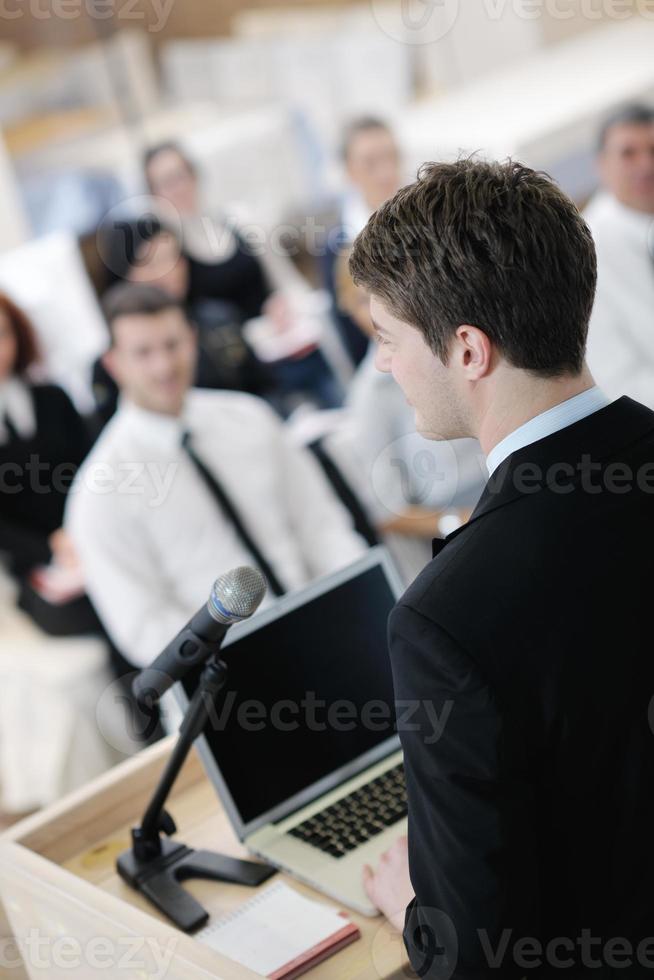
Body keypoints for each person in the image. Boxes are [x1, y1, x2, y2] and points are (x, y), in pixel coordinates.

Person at [350, 159, 654, 977]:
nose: (383, 365)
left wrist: (414, 909)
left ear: (469, 351)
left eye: (386, 338)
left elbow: (478, 953)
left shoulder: (444, 620)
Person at [66, 283, 366, 669]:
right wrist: (248, 658)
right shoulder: (99, 492)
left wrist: (356, 604)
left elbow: (322, 525)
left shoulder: (249, 417)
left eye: (173, 345)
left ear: (193, 339)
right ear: (113, 363)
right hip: (232, 675)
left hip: (331, 627)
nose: (163, 366)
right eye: (142, 353)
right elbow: (143, 629)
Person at [143, 141, 342, 412]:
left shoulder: (239, 220)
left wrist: (285, 304)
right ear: (154, 194)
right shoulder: (168, 255)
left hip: (291, 349)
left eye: (181, 175)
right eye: (165, 182)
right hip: (243, 376)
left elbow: (287, 281)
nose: (178, 187)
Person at [334, 250, 486, 582]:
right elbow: (386, 510)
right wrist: (460, 521)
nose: (378, 312)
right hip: (461, 519)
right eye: (362, 302)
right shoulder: (371, 397)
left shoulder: (458, 345)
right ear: (347, 309)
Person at [93, 217, 272, 424]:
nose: (167, 272)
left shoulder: (219, 320)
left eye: (173, 258)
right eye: (150, 262)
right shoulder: (111, 363)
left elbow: (264, 385)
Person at [0, 291, 90, 579]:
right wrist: (48, 549)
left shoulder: (52, 397)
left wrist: (82, 527)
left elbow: (93, 466)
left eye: (2, 334)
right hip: (35, 565)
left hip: (91, 531)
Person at [584, 103, 654, 408]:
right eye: (629, 153)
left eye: (653, 149)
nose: (646, 165)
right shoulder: (587, 251)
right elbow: (618, 380)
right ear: (602, 164)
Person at [323, 118, 403, 367]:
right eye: (370, 163)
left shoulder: (431, 214)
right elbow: (351, 335)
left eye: (391, 157)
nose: (385, 172)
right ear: (349, 171)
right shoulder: (337, 246)